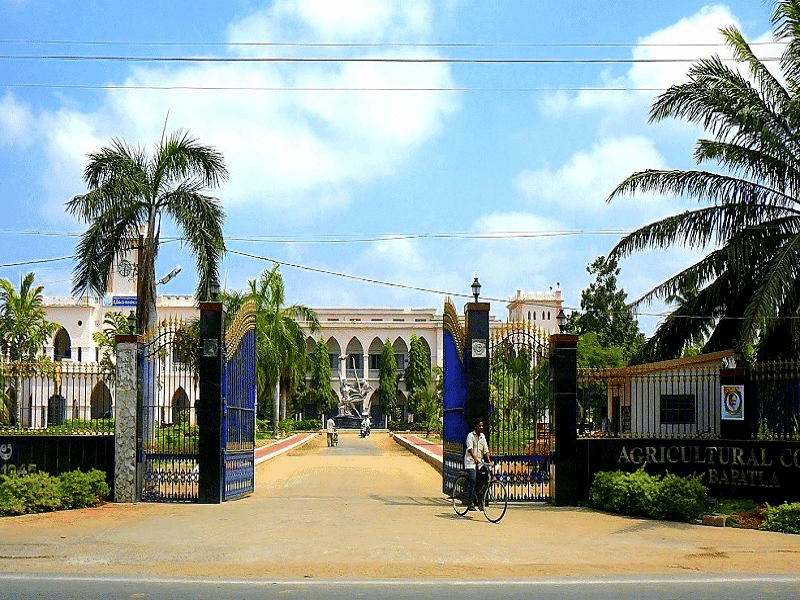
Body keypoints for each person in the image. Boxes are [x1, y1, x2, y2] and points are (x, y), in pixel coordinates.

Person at [464, 418, 492, 511]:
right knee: (473, 478)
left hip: (479, 462)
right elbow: (470, 449)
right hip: (471, 461)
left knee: (486, 478)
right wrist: (474, 458)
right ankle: (470, 502)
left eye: (482, 426)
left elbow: (486, 451)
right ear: (475, 427)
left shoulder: (482, 437)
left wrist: (489, 461)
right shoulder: (470, 435)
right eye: (479, 426)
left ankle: (480, 500)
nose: (481, 427)